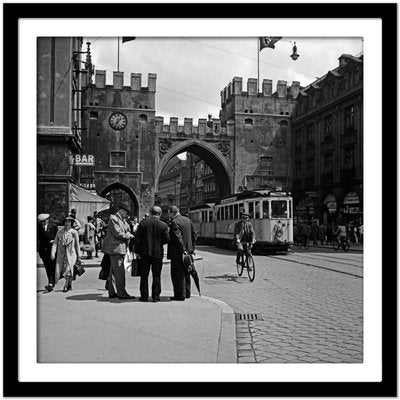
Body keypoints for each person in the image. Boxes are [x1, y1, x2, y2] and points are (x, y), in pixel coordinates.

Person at [135, 206, 170, 302]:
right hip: (158, 254)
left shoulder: (143, 223)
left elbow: (138, 238)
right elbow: (167, 239)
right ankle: (155, 296)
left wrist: (137, 251)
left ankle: (144, 296)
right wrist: (159, 244)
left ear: (150, 212)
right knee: (157, 275)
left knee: (144, 276)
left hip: (144, 253)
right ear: (160, 213)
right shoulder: (163, 225)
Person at [102, 202, 135, 299]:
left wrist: (128, 231)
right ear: (122, 210)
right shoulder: (114, 219)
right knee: (119, 272)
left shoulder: (122, 220)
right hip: (116, 249)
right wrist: (128, 235)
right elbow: (118, 233)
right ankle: (122, 293)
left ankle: (112, 292)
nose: (127, 215)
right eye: (126, 212)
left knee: (113, 271)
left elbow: (127, 229)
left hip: (119, 248)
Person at [167, 205, 197, 301]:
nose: (168, 215)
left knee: (177, 275)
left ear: (173, 212)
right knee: (187, 272)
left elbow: (178, 238)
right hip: (188, 252)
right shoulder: (188, 220)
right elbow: (194, 235)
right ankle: (187, 293)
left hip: (178, 253)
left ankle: (180, 295)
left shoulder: (174, 222)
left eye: (169, 213)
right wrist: (191, 248)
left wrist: (182, 250)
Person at [51, 215, 81, 292]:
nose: (67, 223)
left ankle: (66, 285)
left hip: (71, 254)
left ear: (71, 223)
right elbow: (55, 243)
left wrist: (79, 256)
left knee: (69, 269)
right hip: (62, 255)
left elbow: (77, 245)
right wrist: (53, 253)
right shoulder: (60, 231)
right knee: (64, 270)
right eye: (66, 222)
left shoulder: (74, 232)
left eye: (69, 222)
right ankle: (69, 284)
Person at [37, 213, 59, 292]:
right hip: (43, 250)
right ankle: (51, 282)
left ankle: (51, 282)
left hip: (52, 249)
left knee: (52, 266)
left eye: (44, 221)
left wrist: (54, 241)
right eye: (41, 222)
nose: (43, 223)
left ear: (48, 220)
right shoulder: (38, 227)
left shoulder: (53, 226)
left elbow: (58, 237)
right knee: (47, 267)